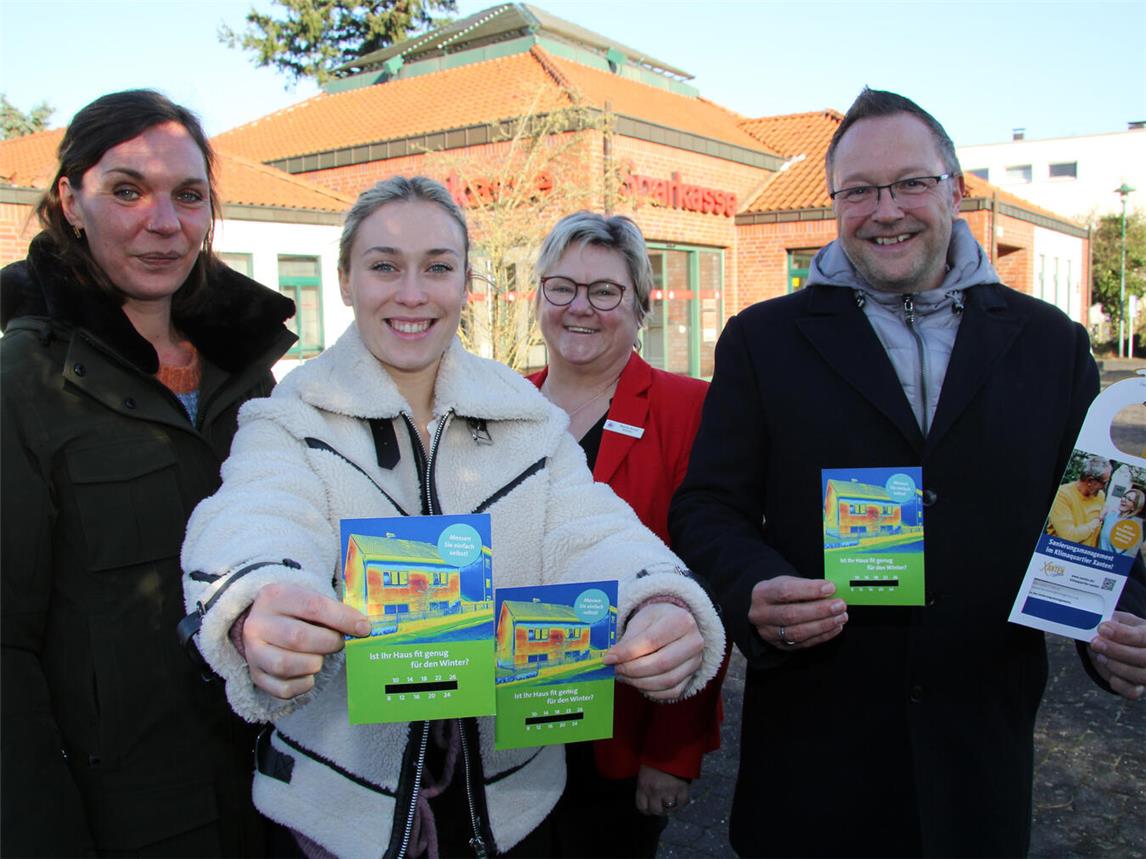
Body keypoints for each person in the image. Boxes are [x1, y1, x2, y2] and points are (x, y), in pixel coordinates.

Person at [179, 177, 726, 858]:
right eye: (384, 266)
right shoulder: (293, 414)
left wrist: (658, 597)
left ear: (466, 282)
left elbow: (591, 529)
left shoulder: (523, 415)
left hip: (512, 813)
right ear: (346, 279)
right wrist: (259, 592)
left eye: (438, 267)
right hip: (340, 823)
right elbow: (258, 511)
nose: (413, 293)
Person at [669, 88, 1146, 857]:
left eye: (910, 184)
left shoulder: (1051, 346)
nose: (884, 209)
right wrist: (753, 584)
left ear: (955, 190)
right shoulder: (763, 340)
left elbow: (1092, 516)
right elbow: (707, 507)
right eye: (858, 191)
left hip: (978, 760)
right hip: (814, 759)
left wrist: (1117, 624)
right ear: (835, 204)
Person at [0, 90, 296, 856]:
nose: (163, 224)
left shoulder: (250, 378)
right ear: (70, 200)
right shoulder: (23, 383)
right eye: (127, 190)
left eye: (188, 196)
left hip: (273, 795)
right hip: (125, 819)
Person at [526, 212, 727, 857]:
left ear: (639, 306)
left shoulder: (689, 410)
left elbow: (707, 584)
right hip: (509, 724)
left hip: (621, 728)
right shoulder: (502, 408)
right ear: (539, 298)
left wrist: (674, 749)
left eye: (605, 291)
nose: (580, 307)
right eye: (562, 287)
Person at [1047, 455, 1111, 546]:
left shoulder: (1100, 495)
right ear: (1090, 481)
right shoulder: (1062, 494)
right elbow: (1069, 537)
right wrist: (1099, 519)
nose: (1105, 487)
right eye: (1104, 483)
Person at [1099, 485, 1146, 555]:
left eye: (1129, 499)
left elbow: (1126, 555)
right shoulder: (1112, 515)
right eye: (1124, 496)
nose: (1124, 500)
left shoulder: (1131, 527)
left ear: (1134, 507)